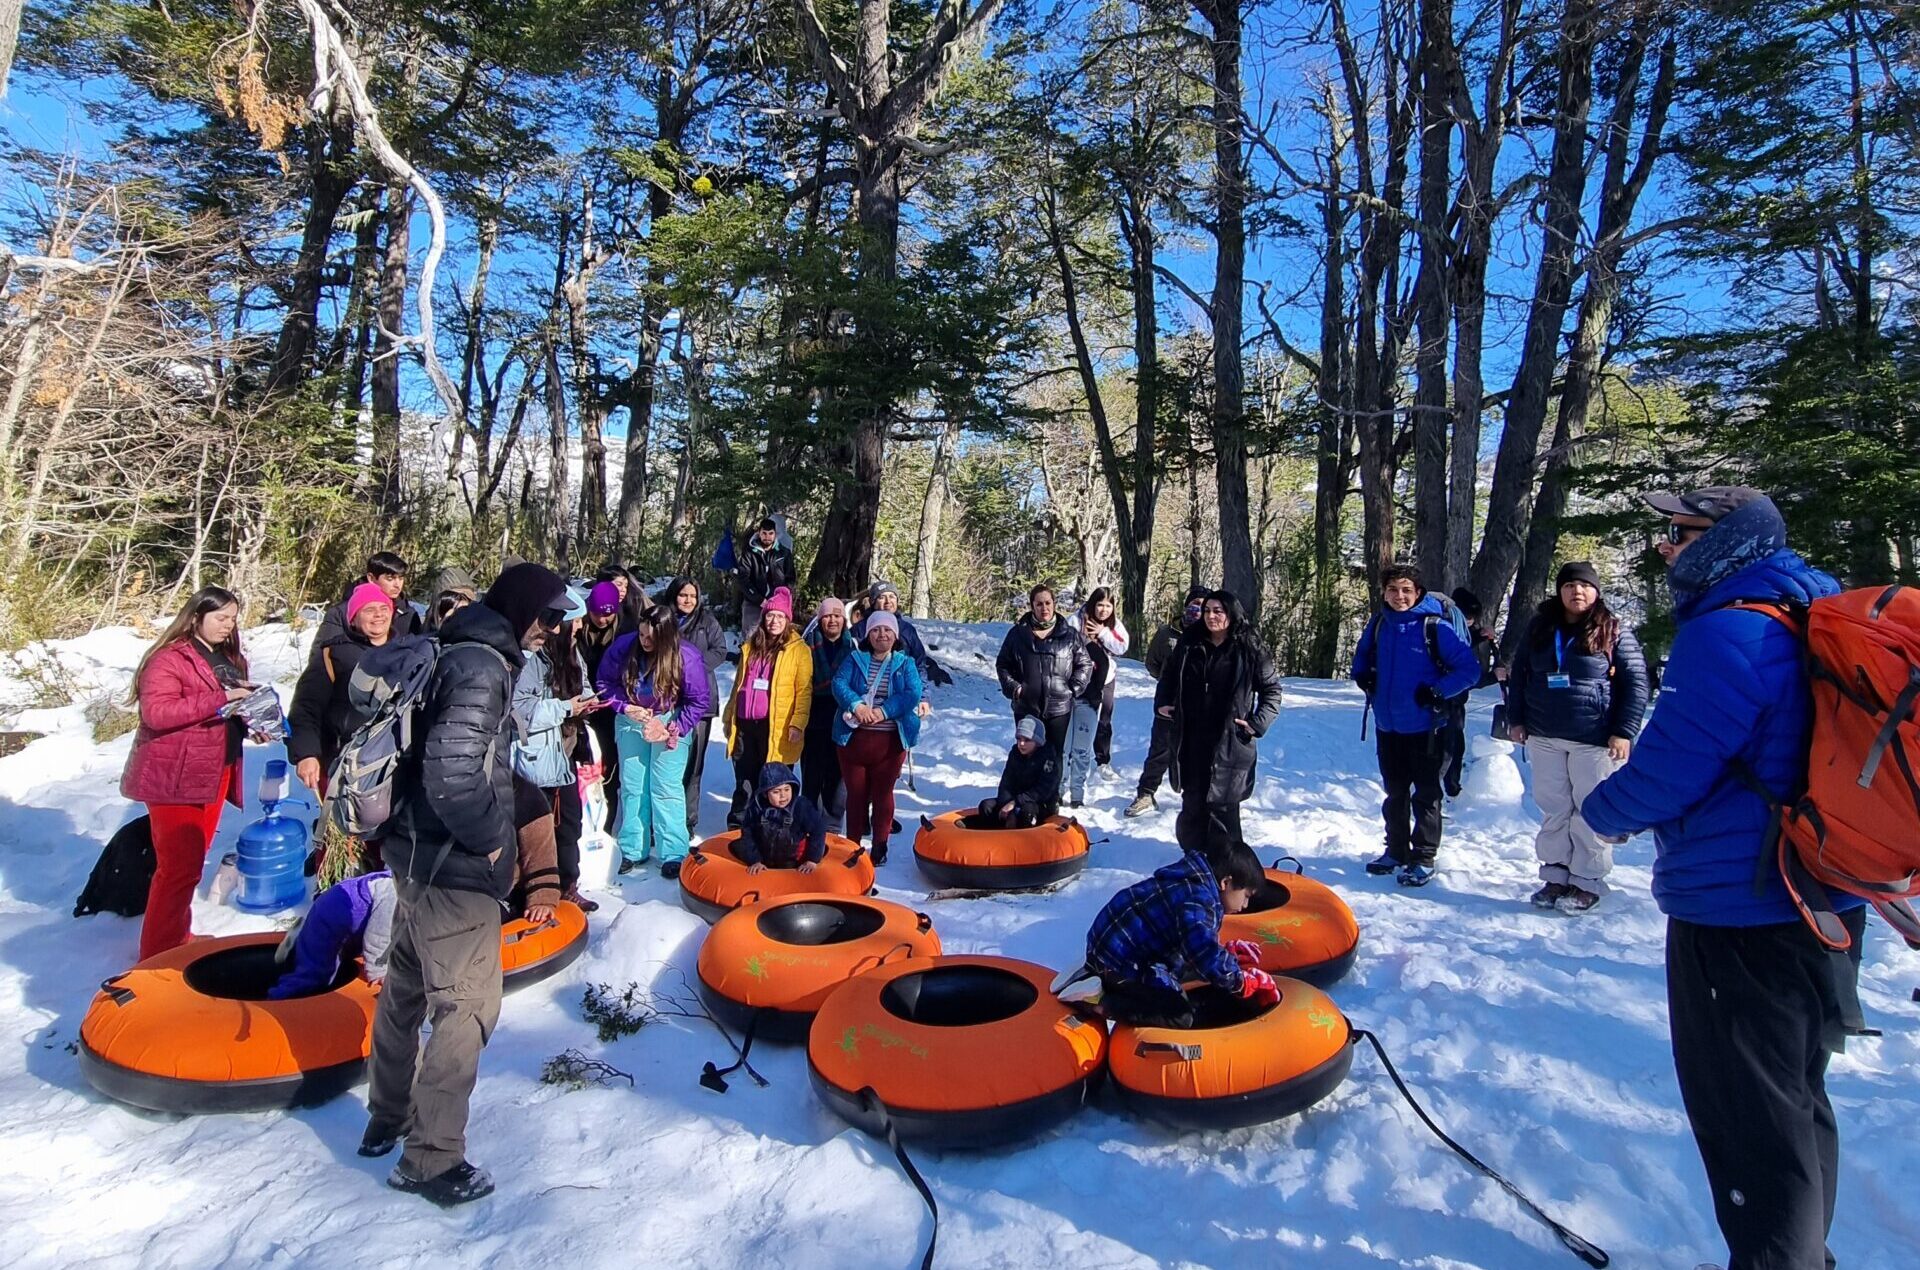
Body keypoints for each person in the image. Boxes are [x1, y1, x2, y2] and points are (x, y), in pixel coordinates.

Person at [1582, 487, 1859, 1270]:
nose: (1666, 545)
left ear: (1729, 539)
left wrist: (1598, 814)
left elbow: (1672, 767)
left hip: (1741, 908)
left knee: (1749, 1116)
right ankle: (1801, 1257)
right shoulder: (1812, 608)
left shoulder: (1729, 632)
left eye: (1681, 531)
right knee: (1797, 1098)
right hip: (1826, 894)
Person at [363, 561, 568, 1206]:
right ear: (520, 607)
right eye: (549, 615)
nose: (552, 630)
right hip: (452, 863)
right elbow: (454, 773)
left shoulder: (459, 647)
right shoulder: (481, 665)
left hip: (414, 854)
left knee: (404, 986)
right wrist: (493, 843)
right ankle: (429, 1159)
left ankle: (388, 1114)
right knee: (466, 1006)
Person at [120, 586, 256, 959]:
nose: (227, 626)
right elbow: (157, 713)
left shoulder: (228, 656)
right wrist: (222, 699)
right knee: (178, 867)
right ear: (196, 616)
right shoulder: (169, 658)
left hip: (213, 770)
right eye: (219, 618)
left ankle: (176, 936)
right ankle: (158, 952)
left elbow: (226, 710)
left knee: (192, 862)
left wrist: (252, 717)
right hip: (173, 775)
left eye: (232, 619)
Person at [1507, 562, 1649, 913]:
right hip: (1544, 734)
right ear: (1560, 591)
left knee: (1590, 810)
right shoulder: (1540, 627)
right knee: (1554, 808)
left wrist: (1623, 732)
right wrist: (1516, 718)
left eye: (1585, 586)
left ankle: (1587, 881)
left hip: (1593, 737)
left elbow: (1636, 683)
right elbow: (1520, 672)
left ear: (1596, 592)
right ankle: (1555, 876)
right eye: (1569, 585)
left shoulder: (1613, 630)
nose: (1577, 592)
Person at [1350, 565, 1480, 887]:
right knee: (1394, 792)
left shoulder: (1434, 626)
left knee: (1426, 794)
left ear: (1418, 591)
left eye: (1406, 589)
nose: (1400, 596)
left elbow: (1469, 669)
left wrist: (1438, 692)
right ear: (1384, 592)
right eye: (1393, 589)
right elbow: (1361, 657)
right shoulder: (1380, 623)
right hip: (1388, 724)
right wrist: (1362, 675)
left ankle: (1423, 857)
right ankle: (1395, 850)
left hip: (1427, 727)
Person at [1080, 838, 1273, 1028]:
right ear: (1226, 882)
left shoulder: (1191, 881)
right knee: (1179, 1015)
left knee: (1196, 972)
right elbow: (1202, 951)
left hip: (1110, 948)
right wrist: (1240, 982)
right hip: (1117, 962)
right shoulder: (1199, 899)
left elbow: (1192, 944)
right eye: (1245, 896)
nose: (1245, 905)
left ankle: (1100, 980)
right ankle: (1101, 1001)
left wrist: (1225, 954)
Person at [1154, 591, 1282, 849]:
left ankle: (1230, 870)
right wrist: (1163, 704)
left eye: (1218, 611)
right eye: (1207, 611)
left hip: (1230, 740)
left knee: (1224, 809)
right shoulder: (1190, 643)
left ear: (1231, 614)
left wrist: (1257, 724)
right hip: (1191, 737)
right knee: (1192, 806)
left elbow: (1272, 690)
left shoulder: (1249, 646)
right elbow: (1168, 677)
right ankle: (1194, 860)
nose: (1211, 616)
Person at [596, 603, 712, 879]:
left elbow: (699, 701)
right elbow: (604, 683)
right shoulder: (624, 648)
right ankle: (632, 848)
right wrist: (624, 707)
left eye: (652, 638)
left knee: (666, 785)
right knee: (634, 785)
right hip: (632, 716)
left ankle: (673, 851)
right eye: (642, 635)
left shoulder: (687, 657)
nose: (645, 642)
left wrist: (674, 727)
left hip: (670, 718)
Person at [511, 586, 600, 912]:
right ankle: (532, 893)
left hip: (567, 753)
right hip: (537, 760)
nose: (579, 627)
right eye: (573, 621)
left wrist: (588, 703)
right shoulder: (533, 661)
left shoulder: (573, 653)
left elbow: (583, 687)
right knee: (538, 830)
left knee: (570, 826)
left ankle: (568, 884)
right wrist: (565, 708)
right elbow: (520, 711)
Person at [830, 610, 924, 864]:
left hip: (890, 743)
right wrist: (857, 706)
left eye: (887, 630)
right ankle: (853, 844)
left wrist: (884, 711)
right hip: (853, 741)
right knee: (856, 794)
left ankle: (880, 845)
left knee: (884, 794)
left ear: (895, 635)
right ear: (868, 634)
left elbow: (912, 693)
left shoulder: (906, 664)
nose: (881, 635)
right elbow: (839, 684)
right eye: (875, 630)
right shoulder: (854, 658)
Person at [289, 582, 397, 796]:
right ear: (353, 618)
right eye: (369, 610)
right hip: (343, 760)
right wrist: (306, 753)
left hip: (394, 761)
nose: (378, 615)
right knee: (346, 826)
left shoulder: (407, 651)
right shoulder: (333, 654)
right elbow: (306, 707)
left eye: (384, 609)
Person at [722, 586, 813, 829]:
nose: (774, 621)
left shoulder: (798, 650)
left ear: (788, 620)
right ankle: (740, 823)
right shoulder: (751, 646)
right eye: (770, 615)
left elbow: (804, 691)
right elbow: (738, 685)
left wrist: (798, 723)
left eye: (780, 616)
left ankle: (774, 826)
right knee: (745, 778)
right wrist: (729, 715)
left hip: (776, 725)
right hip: (744, 723)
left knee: (774, 778)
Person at [1126, 585, 1208, 817]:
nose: (1198, 610)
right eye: (1194, 604)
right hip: (1168, 702)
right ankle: (1145, 793)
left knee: (1196, 754)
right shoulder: (1167, 633)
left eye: (1203, 606)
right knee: (1160, 749)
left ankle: (1196, 800)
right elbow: (1152, 663)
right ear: (1186, 606)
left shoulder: (1210, 636)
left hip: (1198, 706)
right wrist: (1166, 680)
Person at [659, 575, 728, 834]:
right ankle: (664, 818)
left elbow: (720, 650)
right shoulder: (664, 620)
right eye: (683, 595)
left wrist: (692, 667)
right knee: (666, 763)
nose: (688, 600)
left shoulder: (706, 621)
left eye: (692, 596)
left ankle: (688, 820)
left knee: (693, 765)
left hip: (700, 703)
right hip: (666, 700)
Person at [994, 584, 1093, 758]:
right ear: (1032, 606)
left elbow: (1085, 664)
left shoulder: (1069, 635)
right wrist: (1015, 688)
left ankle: (1053, 786)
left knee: (1054, 758)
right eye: (1039, 604)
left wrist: (1073, 689)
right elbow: (1003, 664)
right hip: (1026, 707)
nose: (1044, 608)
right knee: (1027, 757)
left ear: (1054, 604)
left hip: (1059, 709)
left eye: (1048, 603)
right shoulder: (1017, 634)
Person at [269, 870, 397, 999]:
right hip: (330, 918)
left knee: (342, 962)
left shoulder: (406, 887)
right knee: (315, 975)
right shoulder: (394, 892)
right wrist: (378, 971)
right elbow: (379, 934)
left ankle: (301, 938)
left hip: (351, 924)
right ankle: (277, 1001)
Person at [575, 582, 626, 830]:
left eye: (609, 614)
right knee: (584, 764)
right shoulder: (576, 630)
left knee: (610, 764)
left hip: (612, 706)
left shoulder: (625, 632)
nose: (603, 619)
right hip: (581, 706)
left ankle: (606, 820)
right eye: (598, 614)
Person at [307, 551, 417, 663]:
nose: (397, 585)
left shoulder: (408, 614)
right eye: (390, 579)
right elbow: (321, 659)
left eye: (401, 578)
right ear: (371, 578)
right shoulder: (340, 613)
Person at [1441, 587, 1498, 797]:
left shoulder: (1454, 633)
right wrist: (1493, 677)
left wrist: (1480, 636)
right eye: (1469, 618)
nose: (1471, 623)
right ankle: (1446, 791)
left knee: (1456, 747)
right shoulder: (1445, 632)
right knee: (1447, 750)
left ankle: (1450, 788)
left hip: (1455, 705)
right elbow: (1465, 675)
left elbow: (1462, 642)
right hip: (1446, 702)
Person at [803, 597, 855, 827]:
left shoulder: (853, 647)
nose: (832, 620)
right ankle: (808, 821)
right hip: (813, 715)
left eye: (836, 616)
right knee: (812, 774)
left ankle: (833, 824)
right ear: (820, 619)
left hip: (842, 716)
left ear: (843, 620)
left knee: (837, 774)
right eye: (827, 616)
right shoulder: (806, 646)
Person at [737, 763, 829, 874]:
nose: (783, 796)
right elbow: (747, 835)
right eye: (776, 792)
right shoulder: (756, 809)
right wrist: (755, 860)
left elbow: (818, 829)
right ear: (765, 794)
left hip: (797, 864)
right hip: (766, 862)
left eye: (786, 789)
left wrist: (812, 859)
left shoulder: (801, 806)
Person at [975, 714, 1060, 828]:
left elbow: (1043, 791)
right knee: (986, 806)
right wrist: (1006, 803)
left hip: (1039, 804)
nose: (1021, 744)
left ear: (1037, 741)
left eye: (1027, 740)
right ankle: (994, 837)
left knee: (1027, 811)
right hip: (1014, 800)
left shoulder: (1049, 758)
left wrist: (1015, 803)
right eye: (1019, 739)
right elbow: (1006, 781)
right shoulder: (1015, 754)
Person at [1062, 615, 1112, 809]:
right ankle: (1058, 790)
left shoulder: (1096, 652)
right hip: (1065, 703)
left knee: (1081, 750)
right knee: (1063, 750)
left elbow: (1102, 673)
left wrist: (1093, 695)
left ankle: (1077, 794)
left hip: (1087, 704)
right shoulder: (1063, 648)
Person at [1079, 587, 1130, 777]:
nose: (1103, 610)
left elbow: (1122, 646)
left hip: (1106, 679)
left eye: (1108, 606)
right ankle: (1074, 757)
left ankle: (1102, 759)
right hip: (1081, 678)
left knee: (1104, 719)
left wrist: (1103, 633)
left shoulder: (1114, 625)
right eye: (1100, 605)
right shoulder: (1078, 619)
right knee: (1078, 718)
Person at [852, 581, 932, 677]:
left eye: (892, 596)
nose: (888, 601)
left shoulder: (907, 630)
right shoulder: (859, 629)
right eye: (881, 597)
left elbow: (919, 662)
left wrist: (914, 686)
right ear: (872, 602)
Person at [734, 517, 795, 633]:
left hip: (777, 602)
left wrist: (781, 597)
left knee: (776, 635)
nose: (767, 537)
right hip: (753, 602)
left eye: (770, 533)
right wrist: (759, 599)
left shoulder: (784, 553)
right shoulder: (749, 552)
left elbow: (790, 578)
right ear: (759, 533)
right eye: (764, 533)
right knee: (751, 636)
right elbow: (743, 579)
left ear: (775, 534)